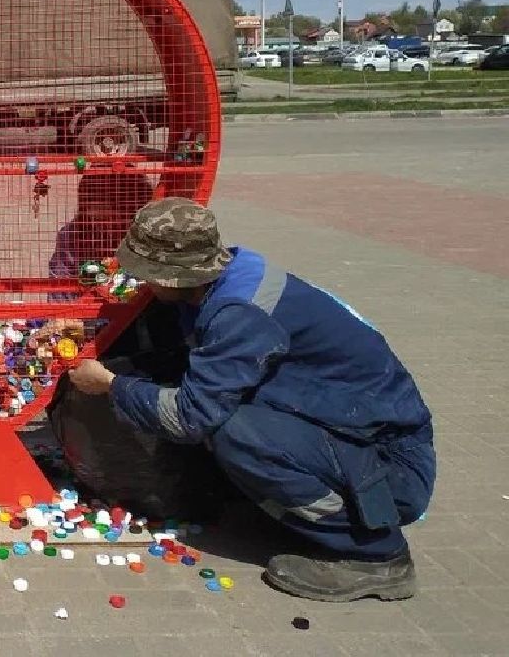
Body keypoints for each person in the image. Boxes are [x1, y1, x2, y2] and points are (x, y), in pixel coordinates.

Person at [67, 198, 434, 602]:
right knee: (200, 398)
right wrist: (87, 330)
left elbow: (190, 418)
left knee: (233, 432)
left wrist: (112, 385)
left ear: (174, 275)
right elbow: (178, 347)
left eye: (149, 275)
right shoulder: (223, 278)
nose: (145, 284)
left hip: (386, 462)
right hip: (335, 425)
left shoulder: (239, 312)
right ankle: (295, 507)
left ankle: (376, 554)